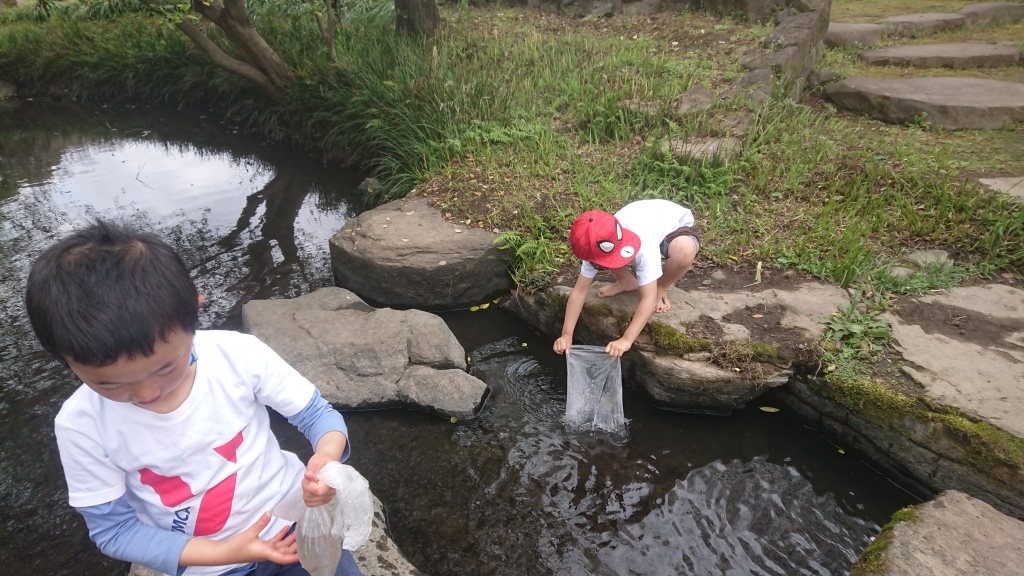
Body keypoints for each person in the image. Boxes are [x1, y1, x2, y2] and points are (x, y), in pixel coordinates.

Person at [24, 220, 363, 576]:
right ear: (63, 359)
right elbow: (115, 530)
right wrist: (224, 552)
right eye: (109, 385)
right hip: (210, 565)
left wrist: (326, 461)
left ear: (195, 312)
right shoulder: (82, 425)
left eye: (165, 368)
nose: (146, 393)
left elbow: (316, 415)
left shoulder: (236, 354)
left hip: (294, 523)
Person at [552, 199, 699, 358]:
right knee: (607, 257)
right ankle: (627, 281)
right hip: (629, 231)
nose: (597, 267)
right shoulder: (595, 243)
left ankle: (662, 287)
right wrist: (566, 334)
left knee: (684, 251)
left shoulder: (644, 247)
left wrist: (626, 340)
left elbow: (647, 299)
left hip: (673, 226)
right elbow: (579, 291)